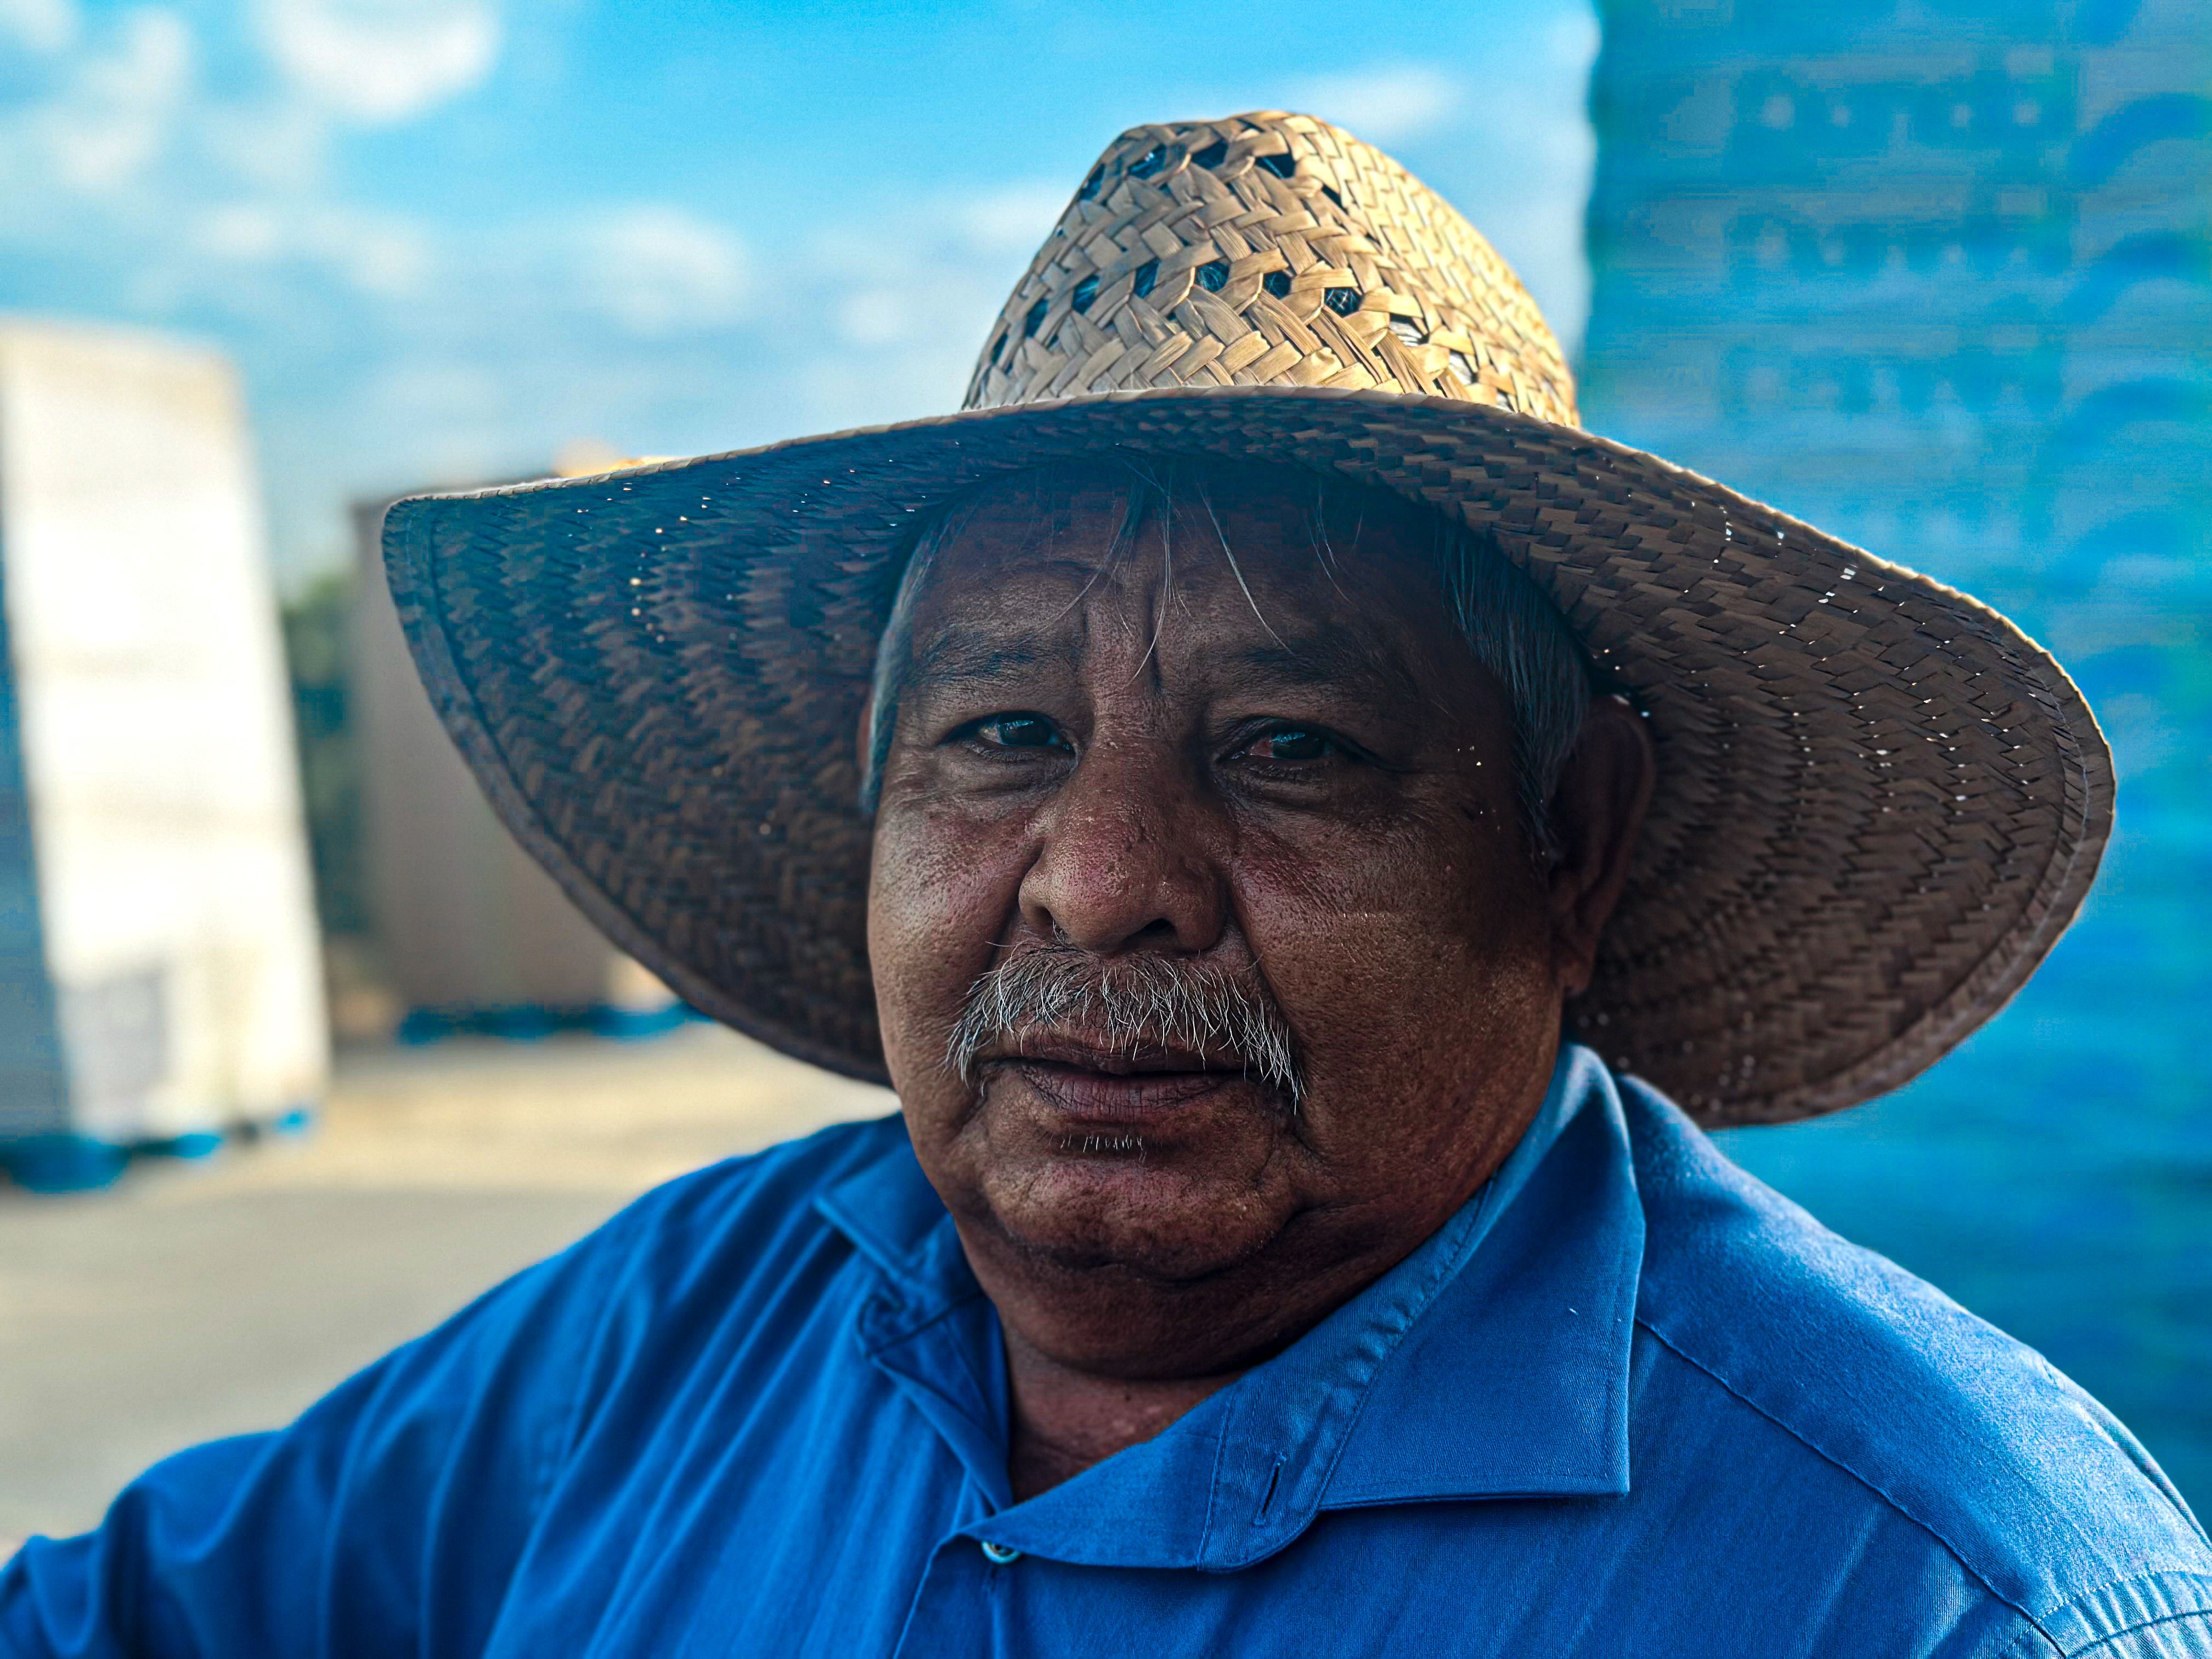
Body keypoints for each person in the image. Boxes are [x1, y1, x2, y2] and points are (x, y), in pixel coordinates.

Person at [5, 110, 2207, 1658]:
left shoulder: (1944, 1595)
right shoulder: (694, 1320)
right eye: (1001, 741)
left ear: (1570, 846)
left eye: (1291, 751)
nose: (1104, 883)